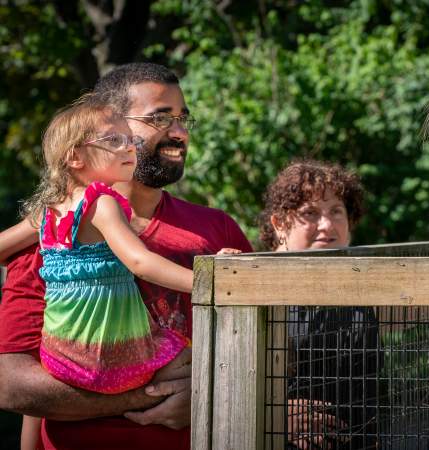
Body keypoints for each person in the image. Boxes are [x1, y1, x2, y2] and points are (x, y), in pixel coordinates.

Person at [0, 62, 252, 450]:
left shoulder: (217, 229)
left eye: (184, 119)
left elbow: (261, 353)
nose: (180, 132)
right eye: (160, 118)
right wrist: (151, 396)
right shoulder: (50, 237)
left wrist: (207, 391)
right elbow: (14, 387)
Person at [258, 159, 379, 450]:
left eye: (336, 211)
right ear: (279, 224)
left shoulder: (364, 285)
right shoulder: (257, 290)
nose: (326, 225)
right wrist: (274, 417)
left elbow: (425, 305)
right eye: (310, 213)